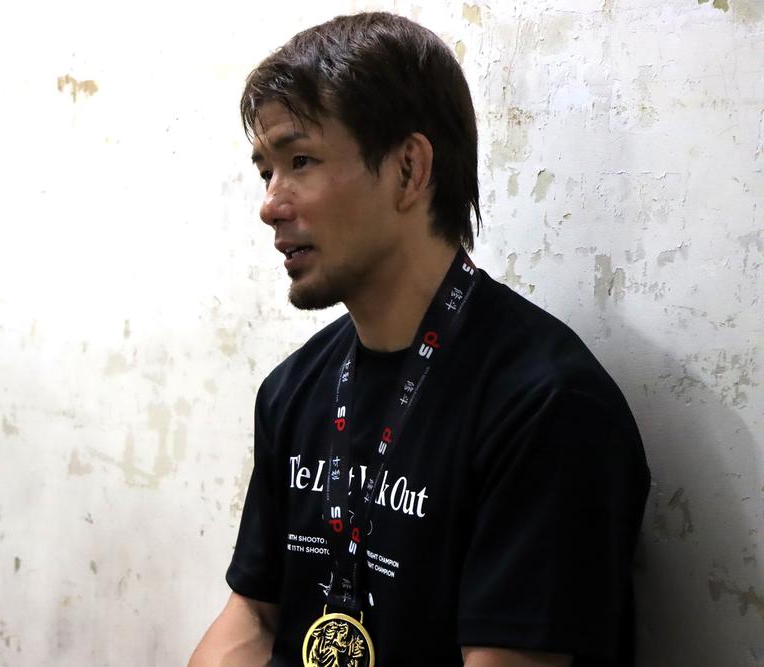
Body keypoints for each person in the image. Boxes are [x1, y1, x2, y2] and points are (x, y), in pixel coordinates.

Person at [190, 12, 650, 667]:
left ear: (409, 169)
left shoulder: (547, 405)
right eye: (266, 171)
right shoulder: (293, 390)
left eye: (300, 161)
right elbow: (253, 615)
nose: (270, 203)